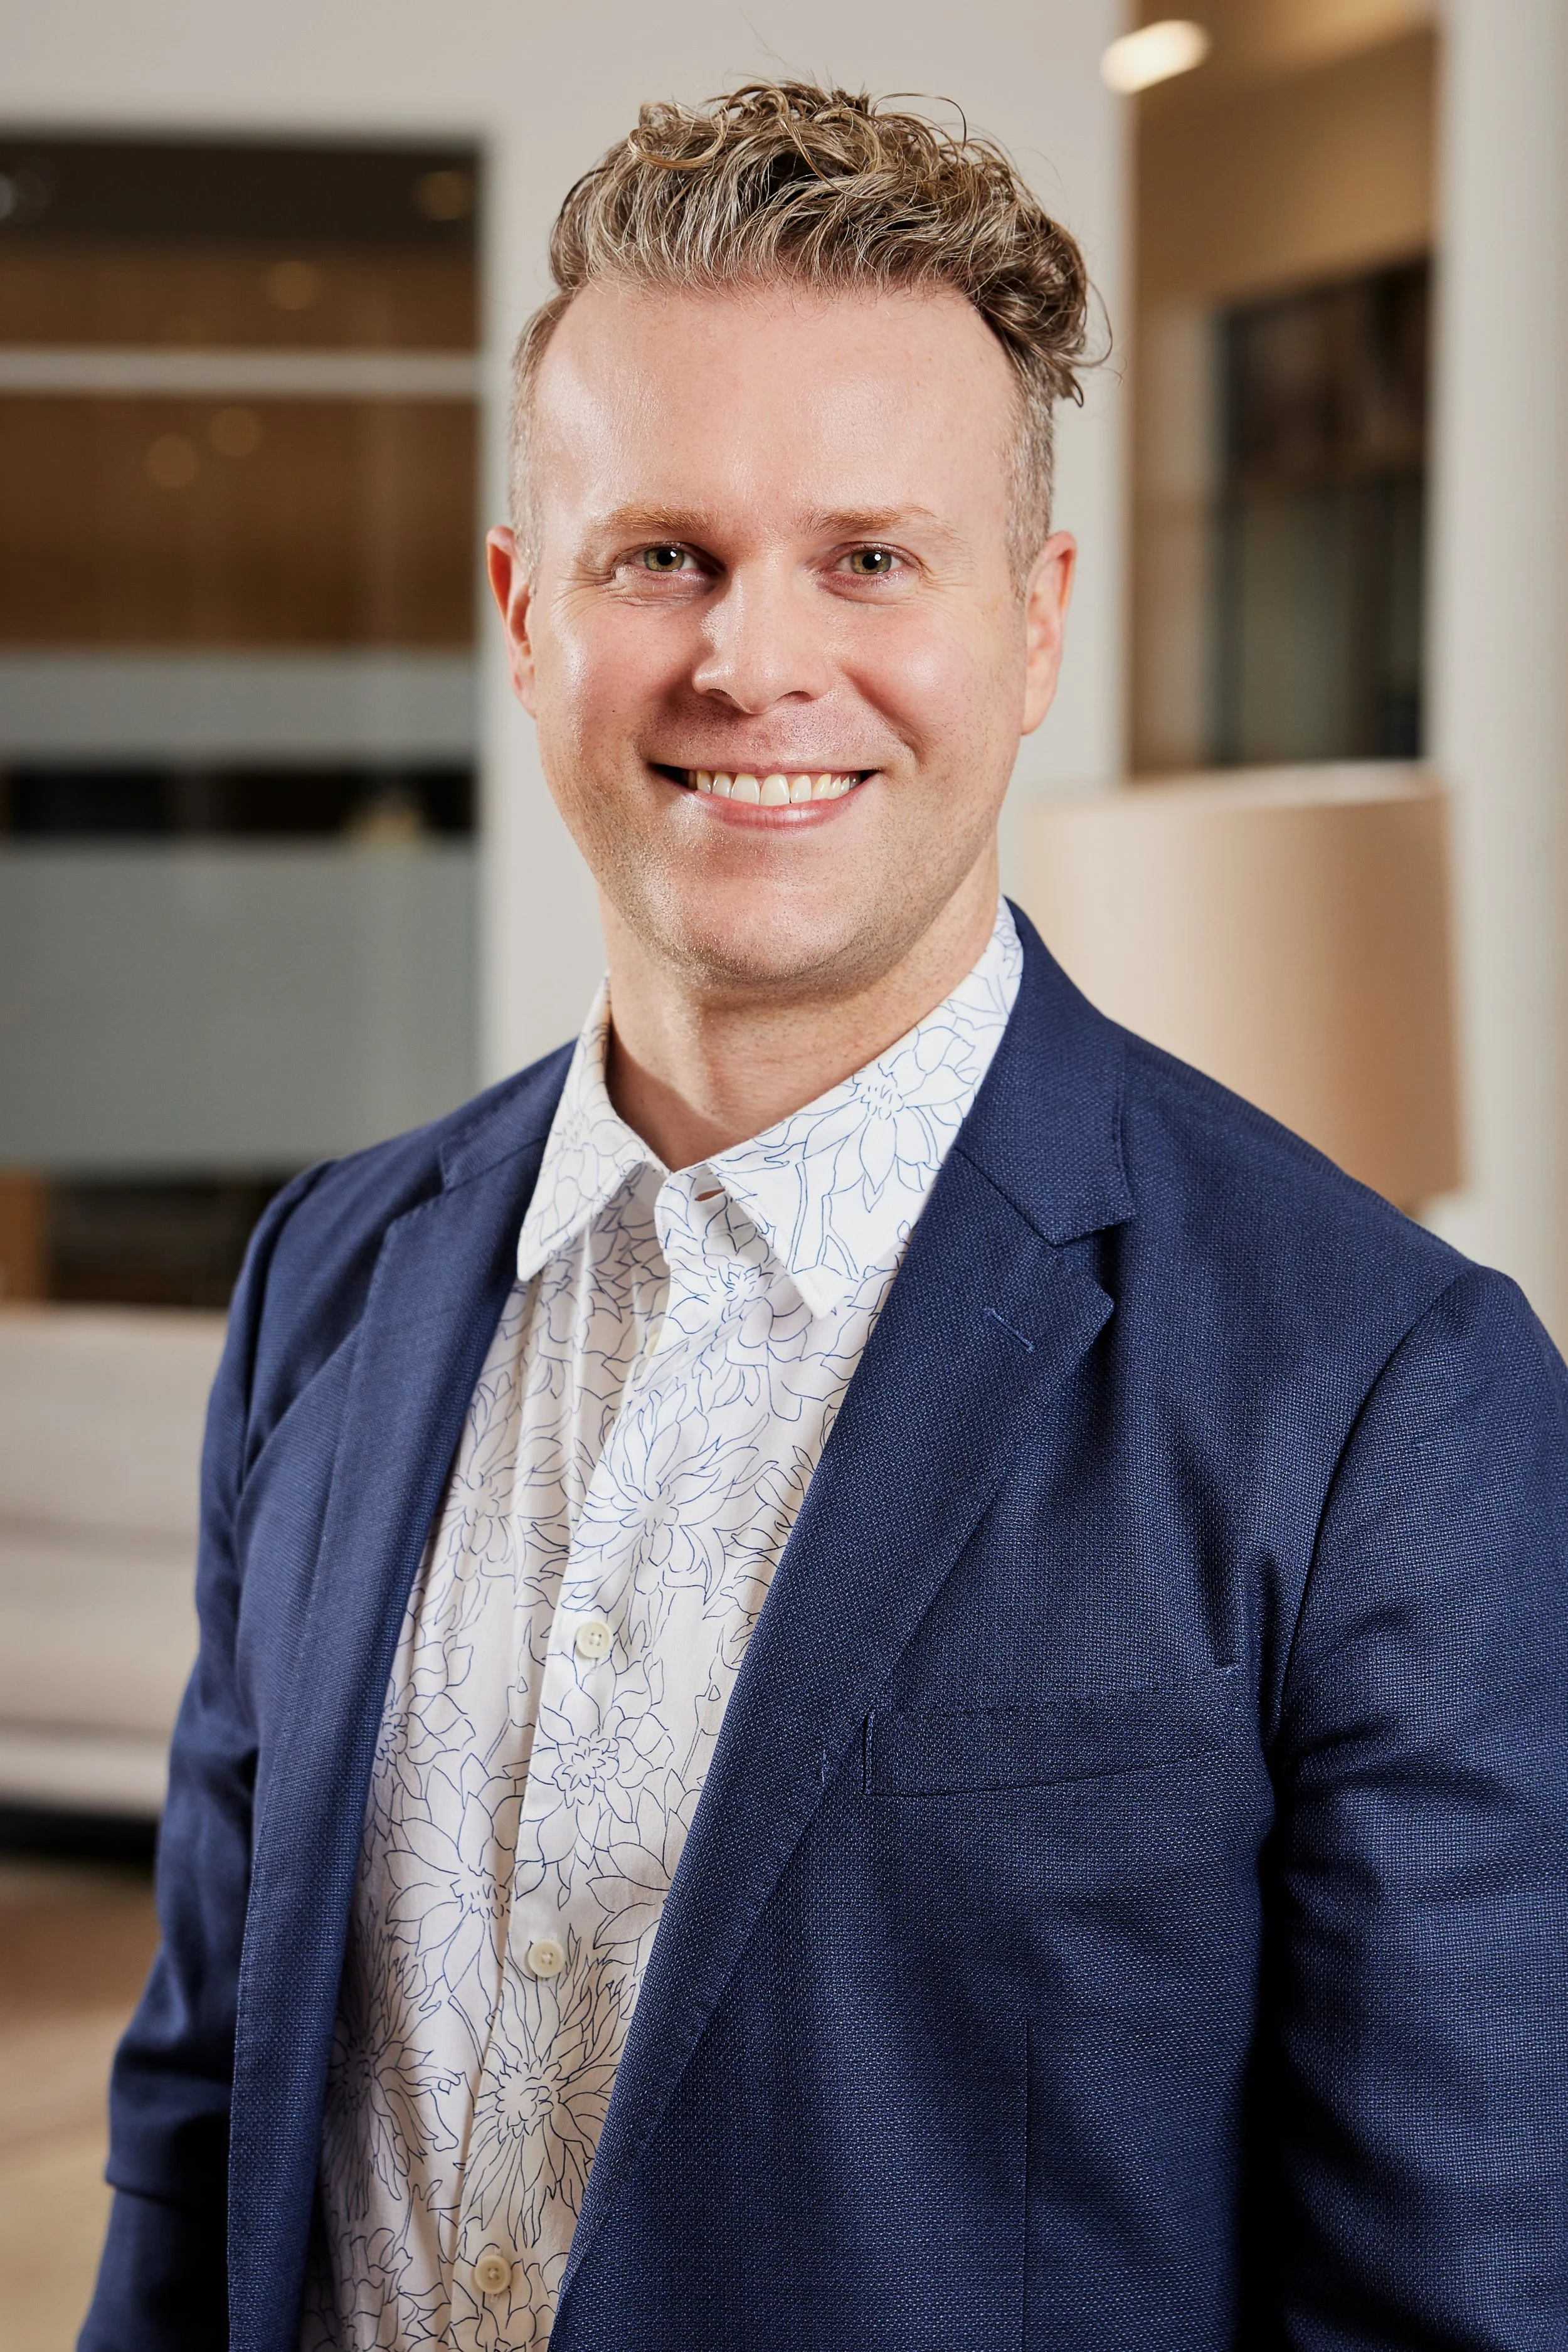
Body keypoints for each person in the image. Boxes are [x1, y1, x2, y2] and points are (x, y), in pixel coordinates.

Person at [83, 82, 1568, 2352]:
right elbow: (203, 2124)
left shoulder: (1381, 1400)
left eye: (870, 556)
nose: (751, 662)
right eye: (656, 551)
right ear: (520, 611)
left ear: (1036, 621)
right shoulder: (332, 1279)